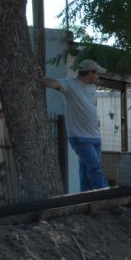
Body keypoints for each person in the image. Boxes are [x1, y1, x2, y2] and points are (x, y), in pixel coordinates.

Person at [41, 59, 111, 190]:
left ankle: (88, 200)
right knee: (95, 168)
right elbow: (52, 83)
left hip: (95, 136)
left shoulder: (92, 88)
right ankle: (106, 197)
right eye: (97, 73)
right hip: (80, 137)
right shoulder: (69, 84)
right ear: (90, 72)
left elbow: (92, 107)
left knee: (86, 170)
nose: (98, 76)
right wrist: (39, 77)